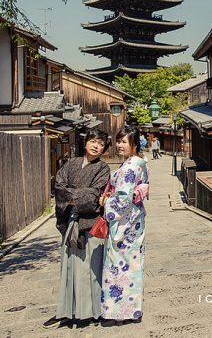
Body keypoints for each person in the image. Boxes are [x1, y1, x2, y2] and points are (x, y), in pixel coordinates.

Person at [44, 129, 110, 328]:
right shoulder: (70, 164)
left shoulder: (103, 169)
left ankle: (92, 312)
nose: (95, 145)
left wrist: (72, 195)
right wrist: (77, 195)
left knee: (90, 269)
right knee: (69, 268)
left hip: (89, 225)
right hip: (70, 222)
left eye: (100, 143)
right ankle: (67, 311)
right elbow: (59, 188)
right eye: (92, 141)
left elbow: (95, 196)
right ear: (86, 142)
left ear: (104, 148)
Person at [100, 127, 149, 326]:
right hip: (135, 219)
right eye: (118, 141)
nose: (119, 145)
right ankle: (131, 311)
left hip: (124, 222)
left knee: (117, 265)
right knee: (133, 266)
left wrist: (105, 203)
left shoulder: (130, 167)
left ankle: (117, 313)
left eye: (124, 142)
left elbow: (123, 197)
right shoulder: (139, 163)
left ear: (134, 144)